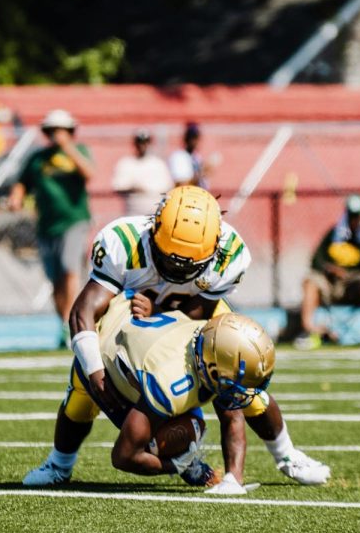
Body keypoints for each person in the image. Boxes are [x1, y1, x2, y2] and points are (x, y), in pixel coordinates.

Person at [23, 185, 329, 489]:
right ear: (154, 230)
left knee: (238, 378)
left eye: (186, 265)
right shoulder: (123, 241)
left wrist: (157, 308)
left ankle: (287, 456)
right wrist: (95, 373)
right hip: (130, 318)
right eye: (167, 259)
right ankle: (59, 464)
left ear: (213, 248)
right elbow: (83, 311)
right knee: (83, 384)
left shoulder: (230, 254)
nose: (174, 269)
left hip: (193, 317)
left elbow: (200, 310)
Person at [79, 293, 276, 493]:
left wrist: (233, 480)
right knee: (183, 435)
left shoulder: (208, 338)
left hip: (131, 323)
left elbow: (233, 417)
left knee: (195, 416)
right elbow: (124, 456)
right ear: (213, 369)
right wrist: (173, 465)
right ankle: (59, 463)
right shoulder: (170, 384)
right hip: (104, 359)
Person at [8, 109, 94, 346]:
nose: (57, 135)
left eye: (62, 130)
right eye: (54, 130)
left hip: (74, 220)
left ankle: (71, 322)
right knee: (55, 279)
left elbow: (89, 173)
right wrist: (16, 197)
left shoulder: (80, 152)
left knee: (69, 268)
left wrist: (68, 149)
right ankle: (64, 324)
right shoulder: (38, 159)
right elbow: (21, 183)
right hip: (47, 225)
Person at [296, 194, 360, 348]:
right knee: (310, 281)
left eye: (357, 216)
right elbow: (316, 261)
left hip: (355, 286)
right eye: (352, 216)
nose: (354, 220)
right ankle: (308, 330)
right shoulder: (334, 234)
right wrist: (331, 270)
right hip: (331, 284)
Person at [111, 128, 172, 216]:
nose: (142, 145)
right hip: (133, 214)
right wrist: (134, 188)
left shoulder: (158, 164)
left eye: (145, 142)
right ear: (135, 143)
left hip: (154, 214)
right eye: (140, 142)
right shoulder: (126, 163)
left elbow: (167, 187)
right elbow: (118, 186)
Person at [168, 121, 219, 189]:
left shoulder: (197, 157)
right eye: (191, 137)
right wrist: (202, 172)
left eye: (196, 137)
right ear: (186, 138)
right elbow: (181, 184)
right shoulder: (178, 157)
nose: (194, 141)